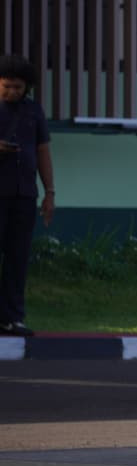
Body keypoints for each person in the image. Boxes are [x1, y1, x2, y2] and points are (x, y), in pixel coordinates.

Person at [0, 55, 55, 337]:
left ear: (27, 88)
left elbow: (43, 151)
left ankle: (12, 318)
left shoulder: (33, 112)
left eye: (18, 87)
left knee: (18, 258)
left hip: (24, 195)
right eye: (7, 86)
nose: (12, 92)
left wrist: (49, 193)